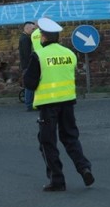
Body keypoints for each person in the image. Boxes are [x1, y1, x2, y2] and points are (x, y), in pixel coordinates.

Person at [24, 17, 94, 192]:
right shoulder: (69, 54)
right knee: (70, 138)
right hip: (68, 102)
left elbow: (30, 84)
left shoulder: (39, 55)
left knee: (47, 142)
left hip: (48, 105)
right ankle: (84, 168)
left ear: (44, 37)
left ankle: (57, 180)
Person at [18, 21, 36, 111]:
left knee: (28, 85)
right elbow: (27, 54)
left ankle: (29, 102)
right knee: (29, 85)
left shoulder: (23, 38)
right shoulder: (26, 39)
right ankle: (29, 104)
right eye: (33, 29)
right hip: (27, 66)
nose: (33, 30)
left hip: (25, 65)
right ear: (27, 28)